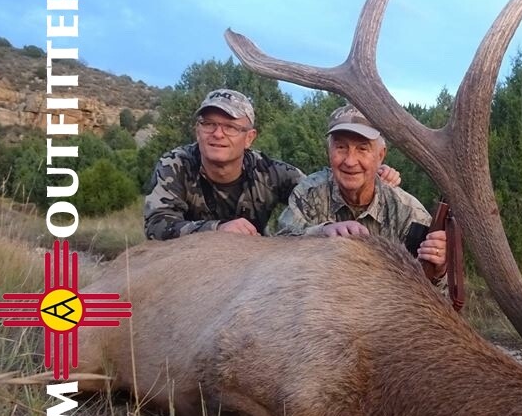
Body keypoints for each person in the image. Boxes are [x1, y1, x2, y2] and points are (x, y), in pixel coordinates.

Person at [143, 89, 401, 240]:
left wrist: (371, 176)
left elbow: (320, 190)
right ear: (197, 130)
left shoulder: (272, 172)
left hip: (248, 271)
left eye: (231, 127)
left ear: (249, 138)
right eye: (208, 124)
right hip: (186, 267)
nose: (218, 134)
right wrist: (218, 229)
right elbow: (156, 226)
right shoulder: (175, 164)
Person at [277, 104, 448, 282]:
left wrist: (439, 271)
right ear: (329, 151)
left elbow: (437, 294)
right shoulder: (309, 193)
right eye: (341, 147)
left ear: (380, 156)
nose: (350, 161)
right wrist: (322, 232)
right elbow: (278, 246)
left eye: (362, 148)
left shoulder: (409, 214)